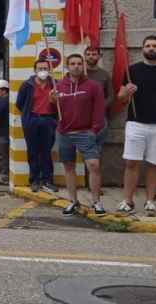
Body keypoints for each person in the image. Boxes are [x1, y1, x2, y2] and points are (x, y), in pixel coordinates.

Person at [116, 36, 156, 215]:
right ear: (142, 48)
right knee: (131, 163)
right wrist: (126, 92)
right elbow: (121, 98)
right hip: (136, 124)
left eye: (155, 46)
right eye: (148, 46)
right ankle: (127, 201)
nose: (151, 48)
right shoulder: (132, 70)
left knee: (154, 164)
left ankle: (150, 201)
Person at [53, 54, 106, 216]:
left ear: (83, 66)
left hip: (86, 133)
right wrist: (51, 100)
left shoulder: (93, 86)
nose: (76, 66)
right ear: (67, 66)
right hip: (65, 133)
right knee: (69, 167)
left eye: (78, 63)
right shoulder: (59, 86)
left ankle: (96, 202)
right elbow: (52, 111)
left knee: (93, 165)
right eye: (72, 63)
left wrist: (94, 130)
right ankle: (73, 201)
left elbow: (99, 110)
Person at [17, 59, 58, 193]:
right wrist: (28, 117)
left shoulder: (55, 84)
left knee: (46, 151)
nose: (43, 71)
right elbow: (19, 104)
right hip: (32, 120)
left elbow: (60, 103)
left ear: (50, 70)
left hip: (48, 120)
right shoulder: (27, 85)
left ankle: (48, 180)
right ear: (35, 70)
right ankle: (34, 180)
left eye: (45, 68)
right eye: (40, 68)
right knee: (33, 151)